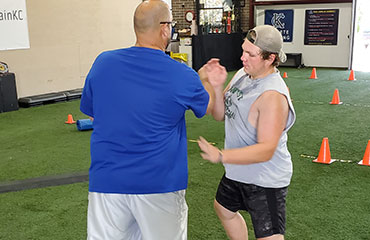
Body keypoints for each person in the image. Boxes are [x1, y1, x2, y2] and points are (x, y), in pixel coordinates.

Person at [80, 1, 213, 239]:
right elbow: (207, 105)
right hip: (159, 185)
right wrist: (206, 79)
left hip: (107, 183)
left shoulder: (103, 62)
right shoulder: (180, 74)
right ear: (165, 29)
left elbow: (93, 114)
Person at [197, 25, 296, 240]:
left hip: (264, 177)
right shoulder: (244, 74)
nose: (242, 58)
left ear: (270, 59)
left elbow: (266, 150)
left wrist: (222, 155)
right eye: (243, 50)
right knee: (224, 208)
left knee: (270, 236)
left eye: (250, 54)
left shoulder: (273, 96)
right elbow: (219, 114)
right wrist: (214, 86)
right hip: (238, 170)